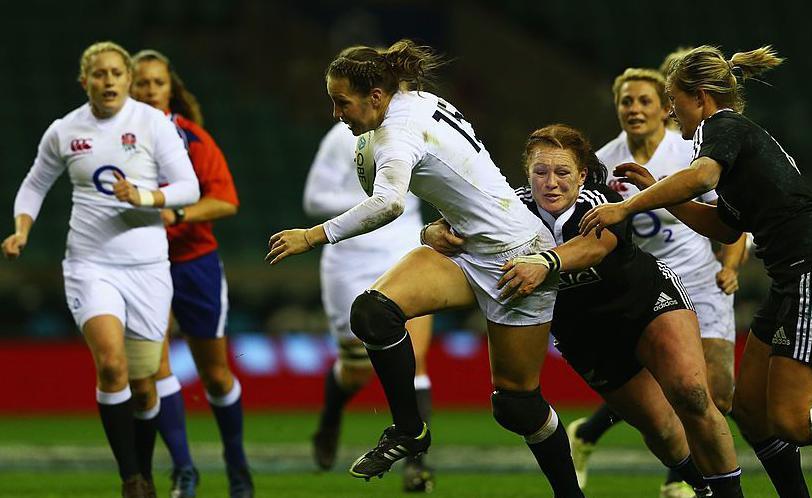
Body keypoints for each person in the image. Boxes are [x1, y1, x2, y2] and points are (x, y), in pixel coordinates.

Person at [266, 40, 585, 497]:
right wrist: (432, 228)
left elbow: (390, 202)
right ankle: (409, 430)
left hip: (516, 253)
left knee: (517, 404)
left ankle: (570, 495)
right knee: (373, 313)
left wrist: (312, 235)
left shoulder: (397, 132)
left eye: (342, 102)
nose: (337, 113)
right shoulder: (413, 101)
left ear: (375, 97)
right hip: (463, 248)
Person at [580, 45, 812, 498]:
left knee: (790, 420)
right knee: (748, 410)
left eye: (672, 99)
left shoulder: (721, 127)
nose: (670, 110)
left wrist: (627, 206)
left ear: (699, 97)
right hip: (793, 278)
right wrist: (658, 190)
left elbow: (702, 177)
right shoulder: (735, 139)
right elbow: (724, 228)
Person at [426, 123, 744, 498]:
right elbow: (456, 220)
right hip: (583, 334)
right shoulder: (511, 208)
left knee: (690, 393)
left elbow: (595, 246)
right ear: (527, 174)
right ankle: (699, 485)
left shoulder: (598, 201)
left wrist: (546, 261)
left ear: (580, 176)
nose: (551, 182)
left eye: (562, 173)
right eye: (540, 172)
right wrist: (430, 232)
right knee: (660, 428)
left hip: (645, 304)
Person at [2, 41, 199, 498]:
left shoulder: (152, 124)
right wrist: (22, 230)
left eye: (116, 73)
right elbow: (34, 184)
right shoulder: (64, 130)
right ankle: (131, 479)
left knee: (144, 383)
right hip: (90, 264)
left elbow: (188, 186)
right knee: (112, 366)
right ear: (84, 80)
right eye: (99, 74)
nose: (108, 81)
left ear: (128, 80)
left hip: (148, 266)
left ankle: (145, 471)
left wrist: (146, 197)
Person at [568, 67, 747, 498]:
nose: (634, 109)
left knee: (716, 392)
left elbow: (733, 219)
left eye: (644, 101)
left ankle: (589, 433)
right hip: (641, 287)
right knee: (667, 391)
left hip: (700, 281)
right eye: (626, 101)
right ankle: (683, 483)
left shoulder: (689, 154)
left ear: (666, 108)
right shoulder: (604, 162)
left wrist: (731, 266)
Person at [130, 49, 253, 498]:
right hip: (140, 265)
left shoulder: (192, 139)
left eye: (156, 83)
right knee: (154, 365)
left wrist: (174, 214)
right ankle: (184, 470)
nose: (148, 90)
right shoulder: (111, 141)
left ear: (170, 90)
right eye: (140, 82)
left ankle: (236, 464)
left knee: (215, 374)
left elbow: (226, 201)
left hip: (193, 262)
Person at [303, 120, 435, 492]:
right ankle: (330, 420)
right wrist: (374, 203)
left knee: (416, 361)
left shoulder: (415, 128)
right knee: (356, 370)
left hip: (403, 250)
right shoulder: (340, 138)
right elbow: (314, 198)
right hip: (350, 257)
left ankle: (415, 464)